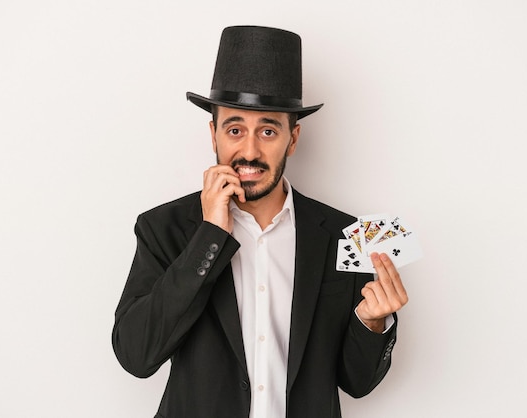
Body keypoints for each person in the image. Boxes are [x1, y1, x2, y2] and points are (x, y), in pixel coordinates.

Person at [112, 25, 409, 418]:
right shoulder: (164, 228)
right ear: (213, 135)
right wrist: (210, 237)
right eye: (234, 129)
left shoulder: (345, 235)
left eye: (268, 130)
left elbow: (355, 383)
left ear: (293, 138)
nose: (249, 150)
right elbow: (136, 356)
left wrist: (372, 323)